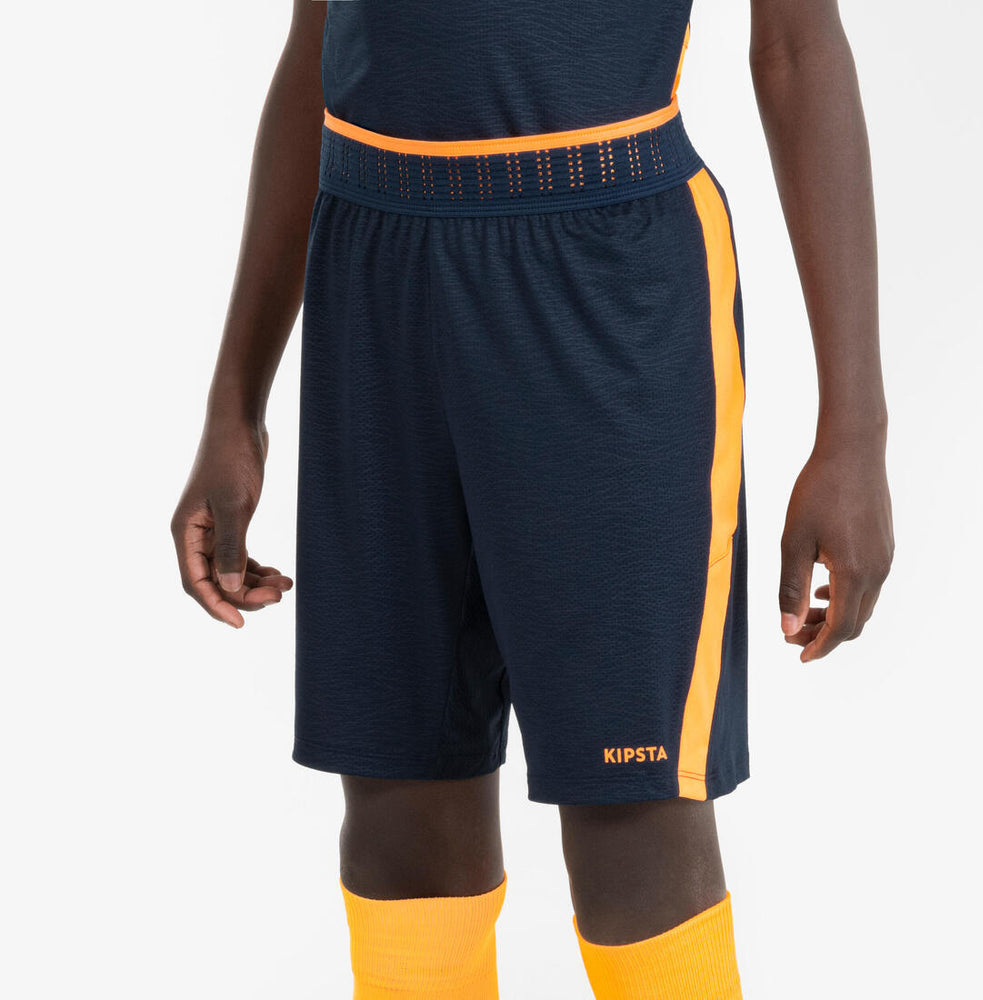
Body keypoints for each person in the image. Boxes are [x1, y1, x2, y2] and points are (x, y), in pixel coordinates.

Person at [171, 0, 894, 996]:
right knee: (398, 818)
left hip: (606, 281)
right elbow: (318, 50)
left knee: (633, 817)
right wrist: (234, 406)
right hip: (374, 277)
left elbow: (797, 48)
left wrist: (854, 432)